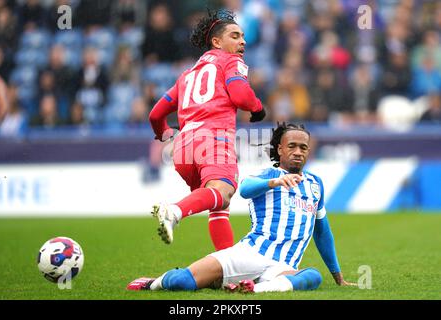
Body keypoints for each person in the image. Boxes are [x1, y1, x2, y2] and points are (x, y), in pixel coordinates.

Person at [127, 123, 356, 293]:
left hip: (282, 267)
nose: (298, 151)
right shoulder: (269, 175)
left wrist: (338, 277)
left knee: (313, 277)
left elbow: (322, 231)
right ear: (280, 149)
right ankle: (152, 283)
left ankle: (255, 289)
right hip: (249, 254)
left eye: (303, 147)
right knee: (181, 283)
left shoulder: (315, 184)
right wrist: (274, 183)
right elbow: (245, 188)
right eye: (292, 146)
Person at [148, 9, 266, 251]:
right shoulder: (231, 61)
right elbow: (242, 96)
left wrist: (164, 134)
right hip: (212, 140)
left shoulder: (187, 75)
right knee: (222, 193)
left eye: (243, 36)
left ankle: (226, 270)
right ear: (216, 42)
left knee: (218, 206)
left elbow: (155, 114)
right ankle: (175, 211)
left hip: (182, 149)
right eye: (234, 36)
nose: (242, 41)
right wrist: (258, 108)